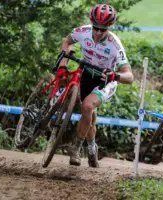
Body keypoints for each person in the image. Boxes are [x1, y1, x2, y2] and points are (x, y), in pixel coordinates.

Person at [56, 4, 134, 167]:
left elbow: (130, 76)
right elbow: (66, 42)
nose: (98, 33)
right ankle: (92, 147)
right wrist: (63, 64)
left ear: (109, 27)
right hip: (85, 75)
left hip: (105, 81)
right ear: (92, 24)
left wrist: (116, 75)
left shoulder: (115, 44)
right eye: (96, 28)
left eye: (103, 30)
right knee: (89, 115)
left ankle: (76, 148)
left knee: (87, 106)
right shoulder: (82, 32)